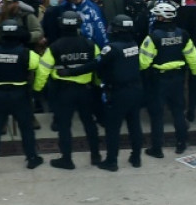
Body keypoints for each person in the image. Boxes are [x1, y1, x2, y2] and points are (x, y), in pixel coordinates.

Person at [59, 15, 144, 171]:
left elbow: (93, 65)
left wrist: (71, 72)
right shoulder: (133, 44)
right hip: (136, 90)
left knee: (113, 128)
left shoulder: (111, 48)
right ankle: (136, 157)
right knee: (134, 125)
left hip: (118, 92)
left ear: (117, 29)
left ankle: (111, 161)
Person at [34, 10, 102, 169]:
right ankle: (96, 156)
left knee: (64, 126)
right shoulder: (90, 44)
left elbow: (43, 70)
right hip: (86, 90)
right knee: (89, 124)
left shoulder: (54, 47)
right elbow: (99, 67)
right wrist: (98, 84)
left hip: (63, 92)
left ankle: (67, 159)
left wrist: (37, 89)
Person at [0, 19, 43, 175]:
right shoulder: (27, 54)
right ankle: (31, 158)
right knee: (27, 128)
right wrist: (36, 90)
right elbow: (38, 68)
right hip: (20, 95)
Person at [140, 2, 196, 157]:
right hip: (178, 79)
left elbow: (143, 62)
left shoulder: (152, 37)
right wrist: (195, 73)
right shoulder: (183, 34)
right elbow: (192, 56)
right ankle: (181, 144)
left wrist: (144, 77)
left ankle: (157, 149)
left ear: (161, 17)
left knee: (157, 115)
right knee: (178, 112)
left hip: (158, 80)